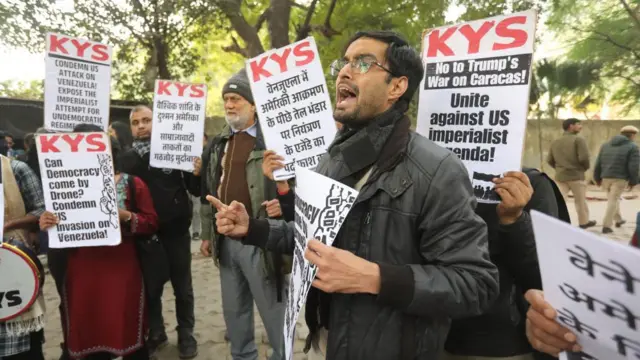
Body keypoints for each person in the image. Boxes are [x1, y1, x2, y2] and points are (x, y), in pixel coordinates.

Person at [208, 30, 499, 360]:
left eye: (363, 62)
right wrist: (253, 229)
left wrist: (376, 278)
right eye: (343, 63)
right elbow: (312, 238)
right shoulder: (331, 159)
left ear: (397, 87)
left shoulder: (437, 170)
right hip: (325, 341)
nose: (344, 71)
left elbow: (475, 285)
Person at [194, 69, 291, 360]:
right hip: (226, 239)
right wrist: (208, 235)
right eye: (226, 99)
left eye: (236, 98)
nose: (229, 104)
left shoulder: (273, 140)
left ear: (253, 104)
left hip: (261, 239)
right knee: (234, 310)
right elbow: (207, 190)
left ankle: (282, 355)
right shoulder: (218, 144)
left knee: (274, 311)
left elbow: (295, 183)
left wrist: (280, 205)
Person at [39, 131, 157, 360]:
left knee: (124, 322)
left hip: (122, 267)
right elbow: (54, 221)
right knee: (86, 322)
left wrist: (125, 216)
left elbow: (151, 223)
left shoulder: (133, 184)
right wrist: (46, 221)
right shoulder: (63, 185)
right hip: (80, 268)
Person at [443, 169, 568, 360]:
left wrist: (513, 220)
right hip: (429, 335)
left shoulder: (531, 184)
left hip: (500, 343)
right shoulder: (422, 177)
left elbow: (547, 277)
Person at [121, 105, 198, 358]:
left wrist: (195, 173)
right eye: (136, 122)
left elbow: (195, 188)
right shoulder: (125, 159)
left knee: (182, 286)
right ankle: (156, 331)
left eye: (146, 120)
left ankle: (186, 333)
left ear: (157, 122)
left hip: (176, 231)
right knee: (150, 287)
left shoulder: (175, 150)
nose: (141, 126)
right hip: (144, 235)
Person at [547, 118, 596, 229]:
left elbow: (549, 160)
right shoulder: (579, 140)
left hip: (560, 176)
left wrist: (559, 168)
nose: (581, 126)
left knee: (559, 201)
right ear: (571, 126)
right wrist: (584, 168)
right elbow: (584, 158)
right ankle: (583, 223)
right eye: (578, 124)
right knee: (580, 202)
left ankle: (555, 221)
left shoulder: (556, 141)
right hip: (576, 176)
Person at [593, 125, 640, 234]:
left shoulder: (605, 145)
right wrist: (634, 181)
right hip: (620, 178)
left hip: (605, 177)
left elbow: (598, 162)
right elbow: (634, 166)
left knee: (612, 199)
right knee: (613, 200)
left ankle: (618, 219)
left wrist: (597, 177)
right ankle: (607, 225)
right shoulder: (633, 147)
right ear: (632, 135)